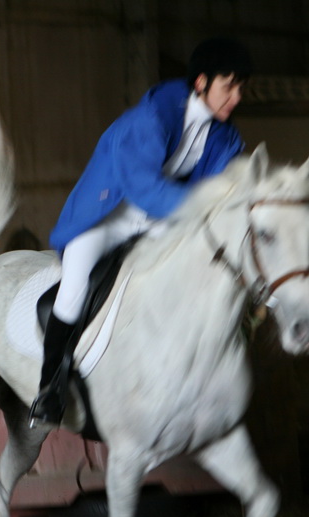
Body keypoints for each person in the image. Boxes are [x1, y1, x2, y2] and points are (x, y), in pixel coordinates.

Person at [29, 37, 253, 427]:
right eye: (228, 86)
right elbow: (145, 189)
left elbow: (220, 191)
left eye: (240, 88)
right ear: (201, 82)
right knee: (75, 286)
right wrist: (205, 204)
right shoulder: (149, 118)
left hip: (160, 221)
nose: (237, 97)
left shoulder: (226, 138)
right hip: (106, 218)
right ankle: (49, 389)